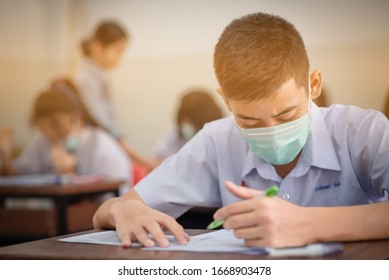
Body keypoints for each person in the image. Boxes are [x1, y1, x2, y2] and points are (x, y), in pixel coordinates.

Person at [93, 12, 389, 249]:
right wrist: (121, 211)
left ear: (313, 84)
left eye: (287, 114)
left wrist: (307, 224)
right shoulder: (216, 141)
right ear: (225, 100)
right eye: (250, 122)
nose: (272, 132)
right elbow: (111, 209)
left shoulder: (362, 132)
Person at [0, 79, 131, 196]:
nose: (51, 134)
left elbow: (113, 200)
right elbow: (17, 178)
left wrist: (68, 175)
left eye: (56, 126)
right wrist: (6, 155)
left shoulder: (100, 145)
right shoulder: (43, 141)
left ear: (77, 119)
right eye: (42, 128)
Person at [138, 90, 224, 170]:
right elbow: (156, 159)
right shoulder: (175, 134)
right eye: (185, 123)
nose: (187, 128)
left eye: (192, 124)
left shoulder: (220, 137)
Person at [75, 21, 128, 140]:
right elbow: (101, 123)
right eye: (117, 51)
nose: (120, 58)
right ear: (97, 46)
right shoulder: (85, 80)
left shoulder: (101, 76)